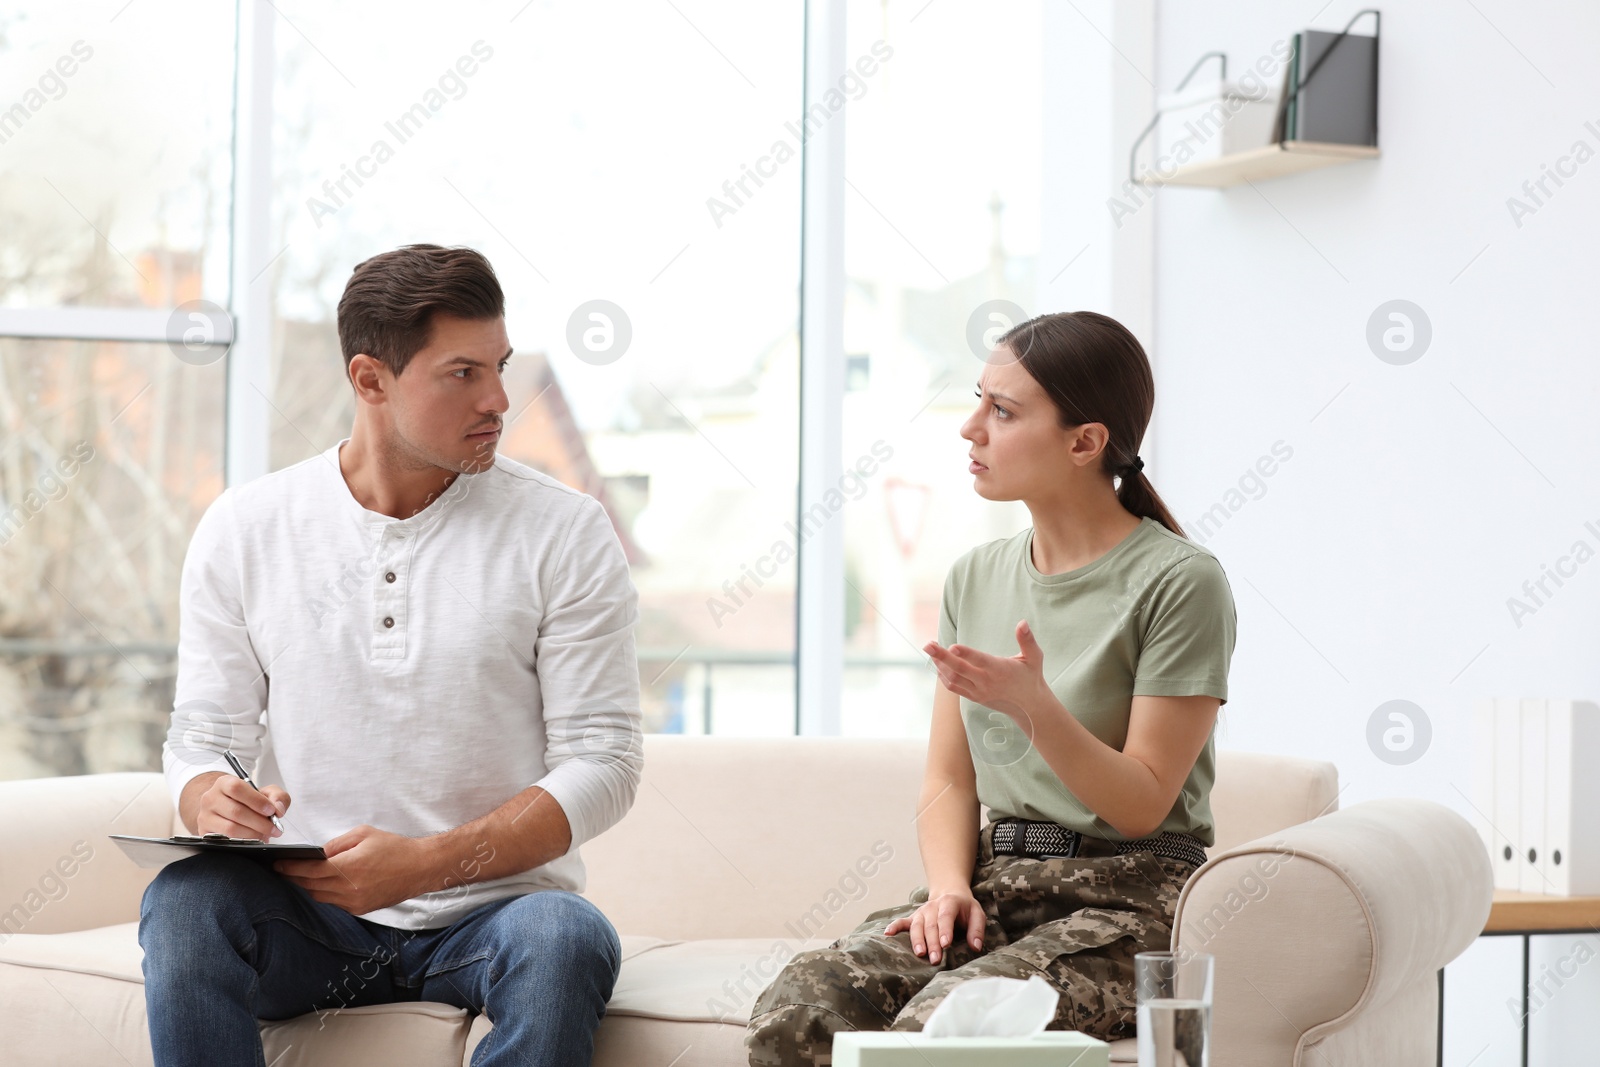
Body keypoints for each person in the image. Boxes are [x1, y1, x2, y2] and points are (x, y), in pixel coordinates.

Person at [139, 244, 643, 1067]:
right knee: (186, 901)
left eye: (501, 366)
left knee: (565, 936)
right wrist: (206, 796)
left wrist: (425, 864)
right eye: (463, 373)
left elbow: (606, 762)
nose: (500, 400)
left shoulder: (566, 530)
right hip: (308, 914)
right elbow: (201, 732)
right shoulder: (246, 528)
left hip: (493, 915)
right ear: (371, 379)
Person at [745, 310, 1236, 1065]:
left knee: (950, 1028)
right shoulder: (976, 576)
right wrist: (948, 887)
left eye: (1002, 411)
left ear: (1085, 441)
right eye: (979, 400)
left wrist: (1036, 709)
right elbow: (948, 776)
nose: (970, 427)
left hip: (1130, 897)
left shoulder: (1180, 581)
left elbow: (1142, 801)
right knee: (802, 1005)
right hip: (997, 880)